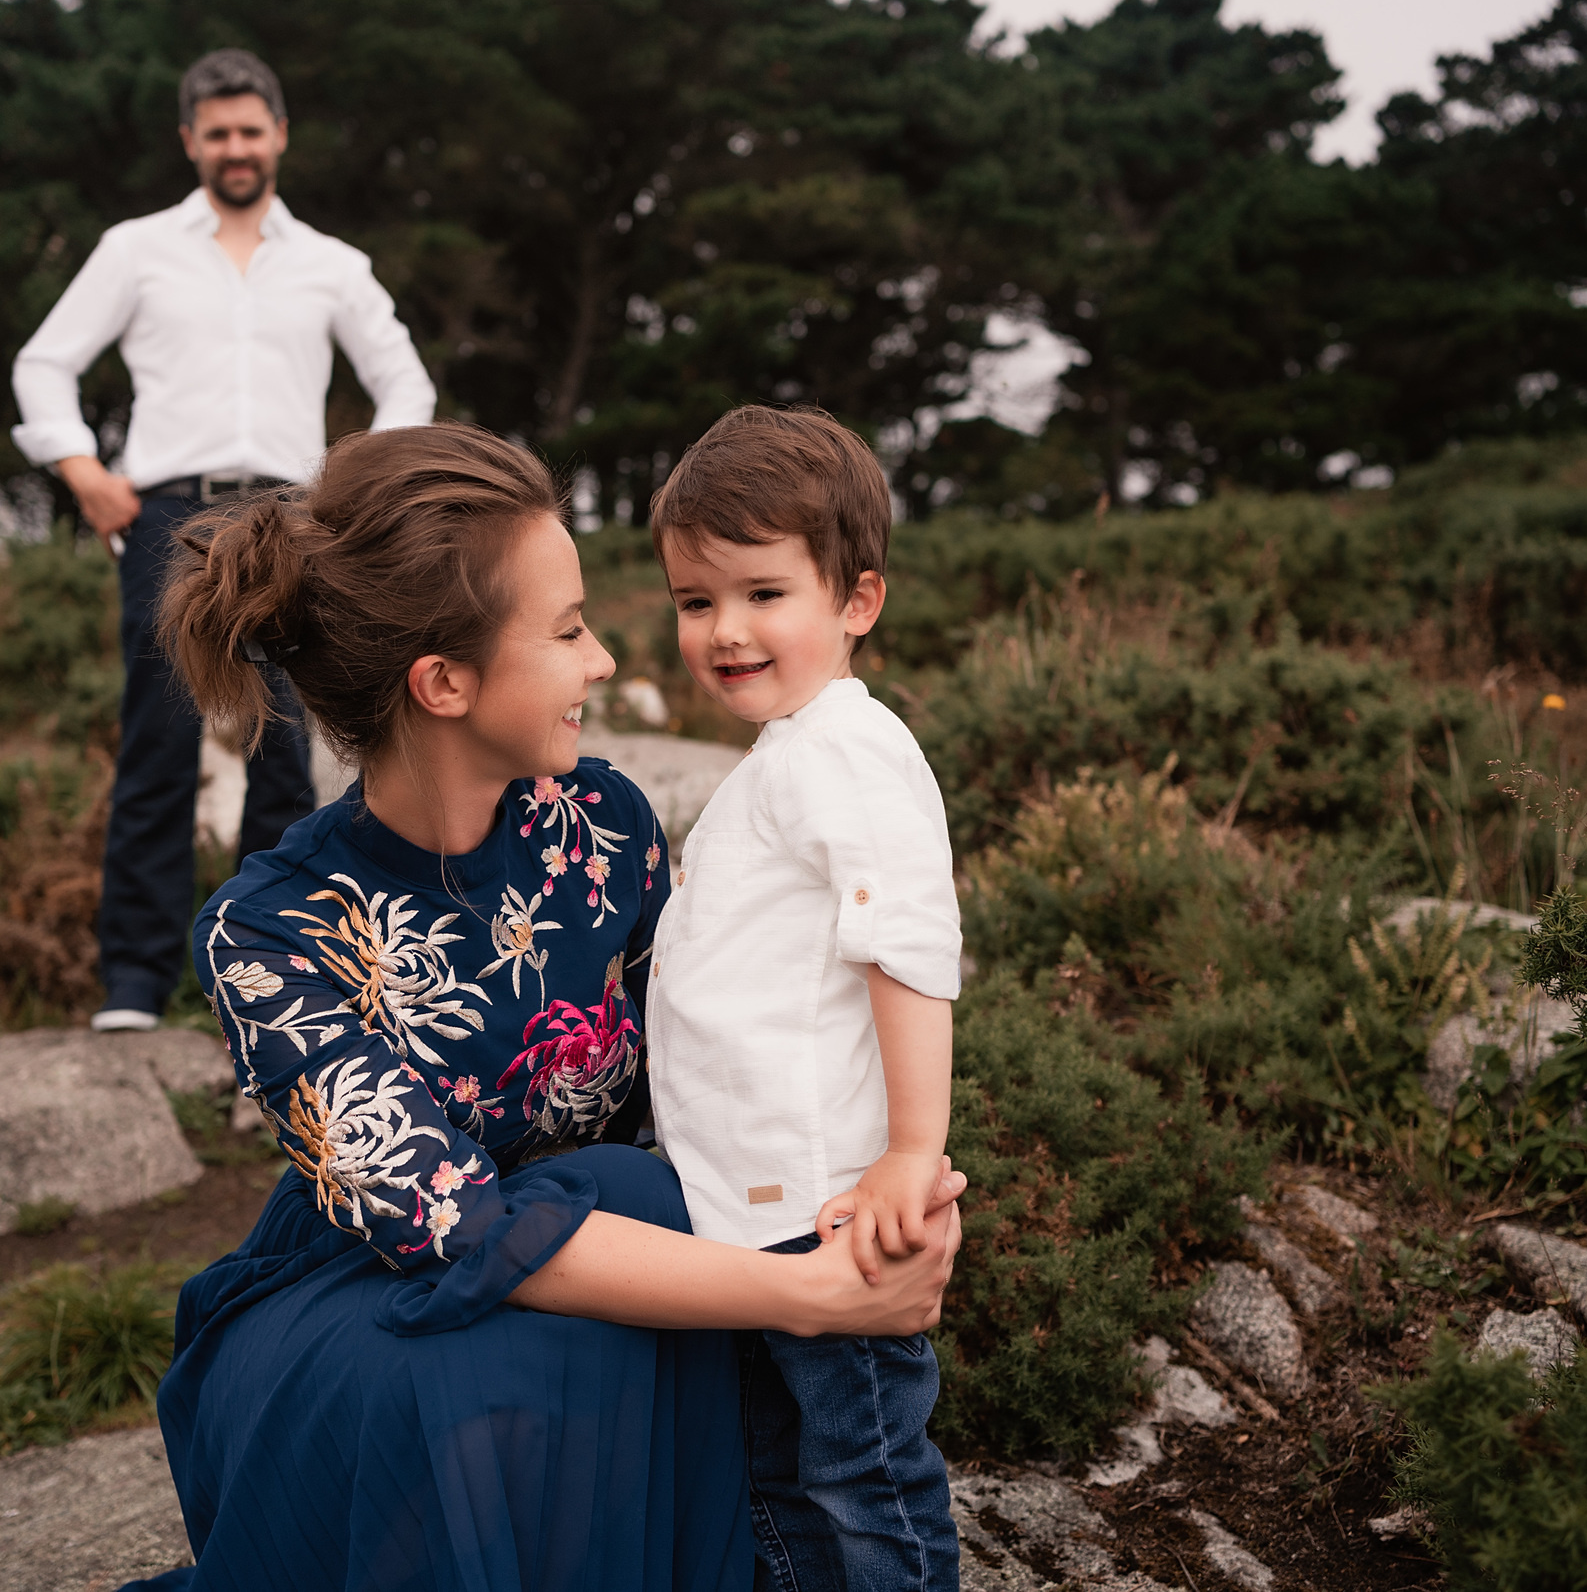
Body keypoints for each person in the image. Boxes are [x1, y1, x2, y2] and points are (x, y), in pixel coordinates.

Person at [123, 422, 964, 1592]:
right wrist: (812, 1294)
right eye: (568, 630)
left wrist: (880, 1196)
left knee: (633, 1188)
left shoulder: (603, 827)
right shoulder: (268, 935)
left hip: (629, 1258)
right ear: (445, 681)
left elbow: (712, 1063)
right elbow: (454, 1230)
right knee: (485, 1343)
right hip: (380, 1304)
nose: (607, 661)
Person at [9, 47, 436, 1032]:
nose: (235, 148)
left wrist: (348, 481)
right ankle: (134, 984)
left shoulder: (333, 264)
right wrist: (82, 470)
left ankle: (276, 985)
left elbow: (403, 381)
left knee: (281, 744)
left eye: (251, 130)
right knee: (160, 739)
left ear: (278, 135)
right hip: (167, 515)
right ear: (189, 142)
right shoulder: (135, 248)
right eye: (217, 133)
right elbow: (44, 363)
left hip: (292, 516)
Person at [646, 406, 964, 1592]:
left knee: (861, 1475)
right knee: (774, 1479)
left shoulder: (845, 748)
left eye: (762, 593)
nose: (724, 630)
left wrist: (912, 1151)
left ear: (855, 601)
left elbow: (906, 945)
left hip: (830, 1206)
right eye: (694, 601)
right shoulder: (785, 751)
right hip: (750, 1210)